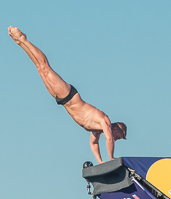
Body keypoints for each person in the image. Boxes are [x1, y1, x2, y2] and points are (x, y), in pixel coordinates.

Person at [9, 26, 127, 163]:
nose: (117, 139)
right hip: (70, 95)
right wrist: (111, 158)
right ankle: (24, 39)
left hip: (62, 101)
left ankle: (21, 43)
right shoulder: (104, 121)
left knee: (40, 70)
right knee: (45, 67)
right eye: (120, 136)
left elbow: (93, 144)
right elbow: (108, 139)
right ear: (117, 128)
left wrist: (100, 162)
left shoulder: (97, 130)